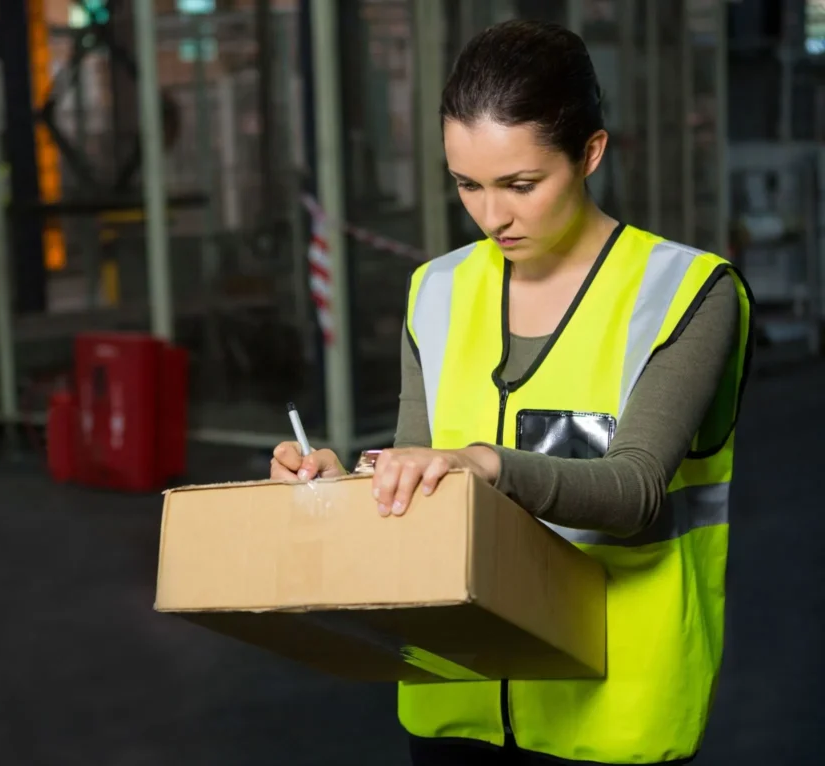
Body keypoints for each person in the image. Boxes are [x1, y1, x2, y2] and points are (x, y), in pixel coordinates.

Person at [271, 20, 754, 766]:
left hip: (611, 715)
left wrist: (485, 465)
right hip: (452, 700)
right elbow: (414, 478)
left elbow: (633, 492)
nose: (492, 216)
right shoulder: (434, 293)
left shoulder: (685, 292)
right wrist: (339, 491)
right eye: (467, 184)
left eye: (521, 185)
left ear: (590, 152)